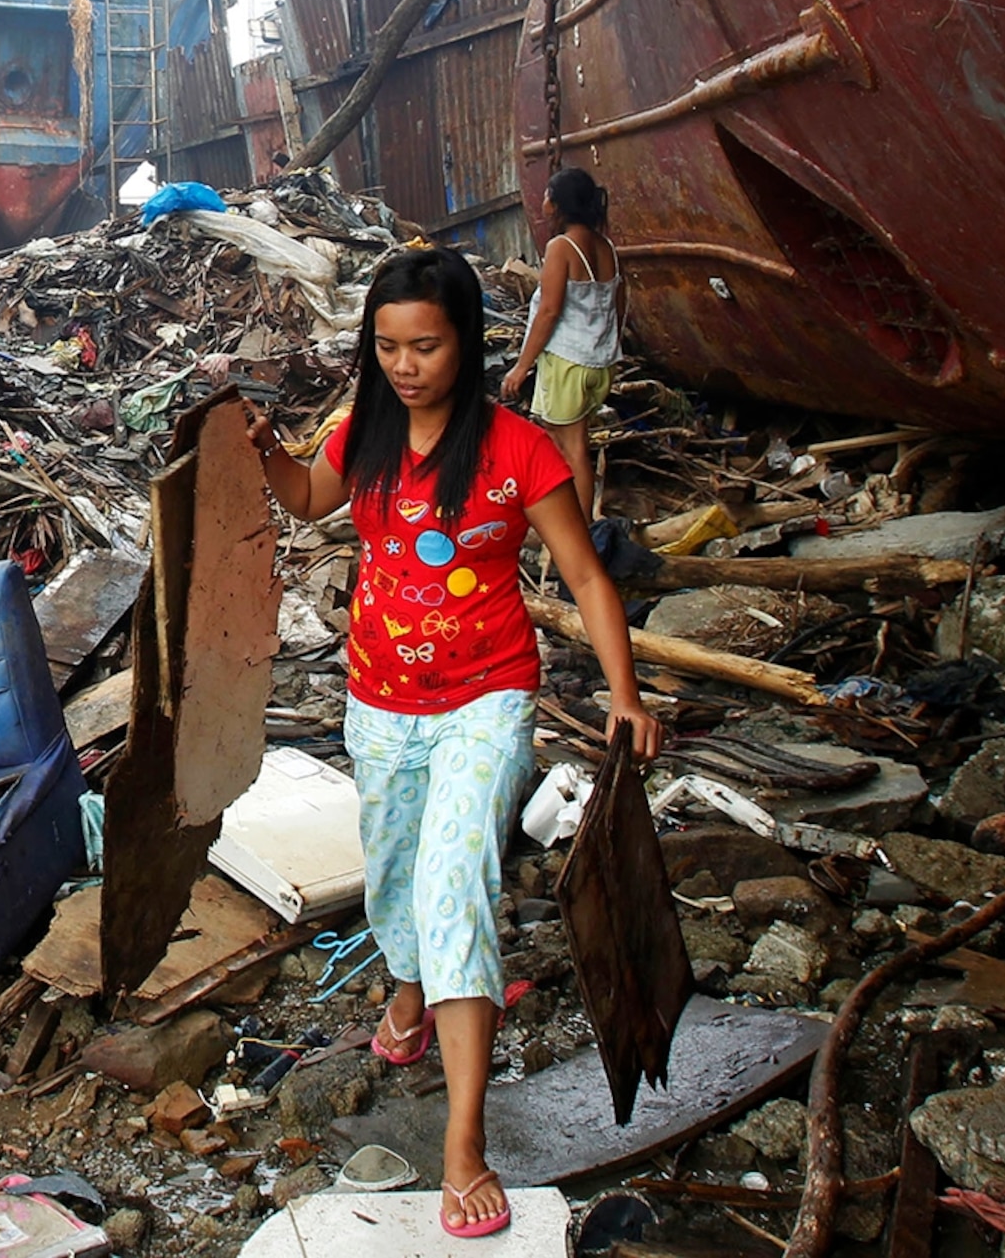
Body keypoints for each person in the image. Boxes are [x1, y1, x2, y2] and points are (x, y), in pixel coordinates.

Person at [250, 245, 659, 1238]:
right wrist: (268, 452)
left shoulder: (519, 450)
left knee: (455, 884)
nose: (404, 364)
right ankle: (405, 993)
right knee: (395, 874)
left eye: (424, 345)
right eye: (387, 345)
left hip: (488, 698)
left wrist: (625, 693)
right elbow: (308, 498)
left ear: (466, 341)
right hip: (381, 700)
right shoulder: (364, 434)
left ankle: (463, 1147)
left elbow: (587, 578)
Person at [499, 166, 622, 520]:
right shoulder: (606, 247)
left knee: (572, 451)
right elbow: (618, 302)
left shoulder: (562, 247)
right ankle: (570, 520)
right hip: (599, 362)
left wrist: (522, 367)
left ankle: (578, 530)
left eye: (548, 195)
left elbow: (549, 311)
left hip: (569, 362)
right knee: (572, 444)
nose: (543, 202)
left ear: (560, 203)